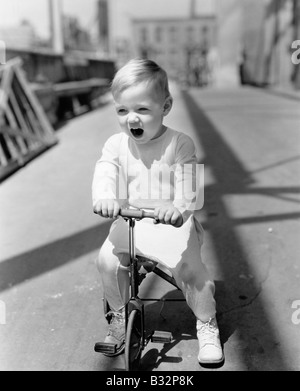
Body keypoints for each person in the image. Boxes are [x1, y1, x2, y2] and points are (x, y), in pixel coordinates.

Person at [92, 58, 224, 365]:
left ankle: (206, 322)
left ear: (165, 107)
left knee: (192, 273)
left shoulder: (179, 143)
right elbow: (105, 173)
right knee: (107, 261)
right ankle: (120, 316)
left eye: (142, 109)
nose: (131, 119)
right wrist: (105, 197)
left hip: (172, 224)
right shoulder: (116, 145)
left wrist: (177, 207)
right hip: (131, 219)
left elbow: (190, 187)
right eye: (122, 110)